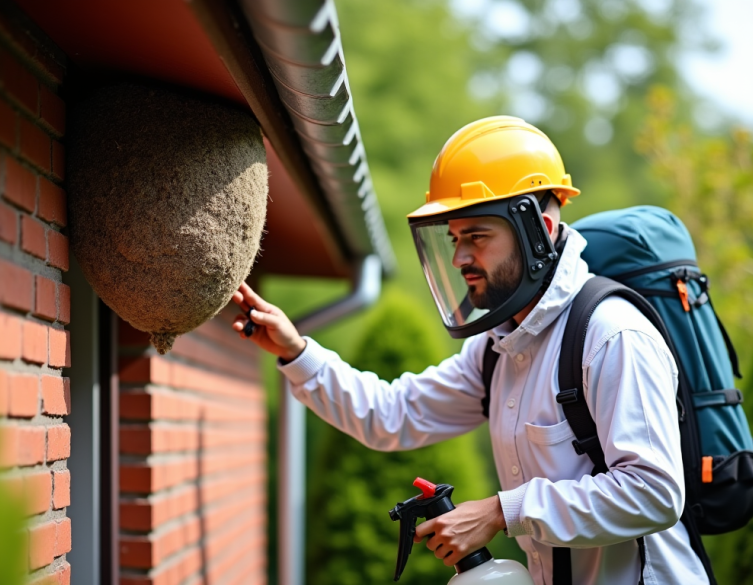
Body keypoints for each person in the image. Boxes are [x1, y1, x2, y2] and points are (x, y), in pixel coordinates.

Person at [231, 116, 709, 584]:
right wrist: (296, 353)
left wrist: (502, 512)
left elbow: (654, 494)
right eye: (455, 239)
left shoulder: (612, 335)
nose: (460, 258)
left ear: (538, 231)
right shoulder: (498, 348)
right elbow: (391, 414)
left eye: (477, 237)